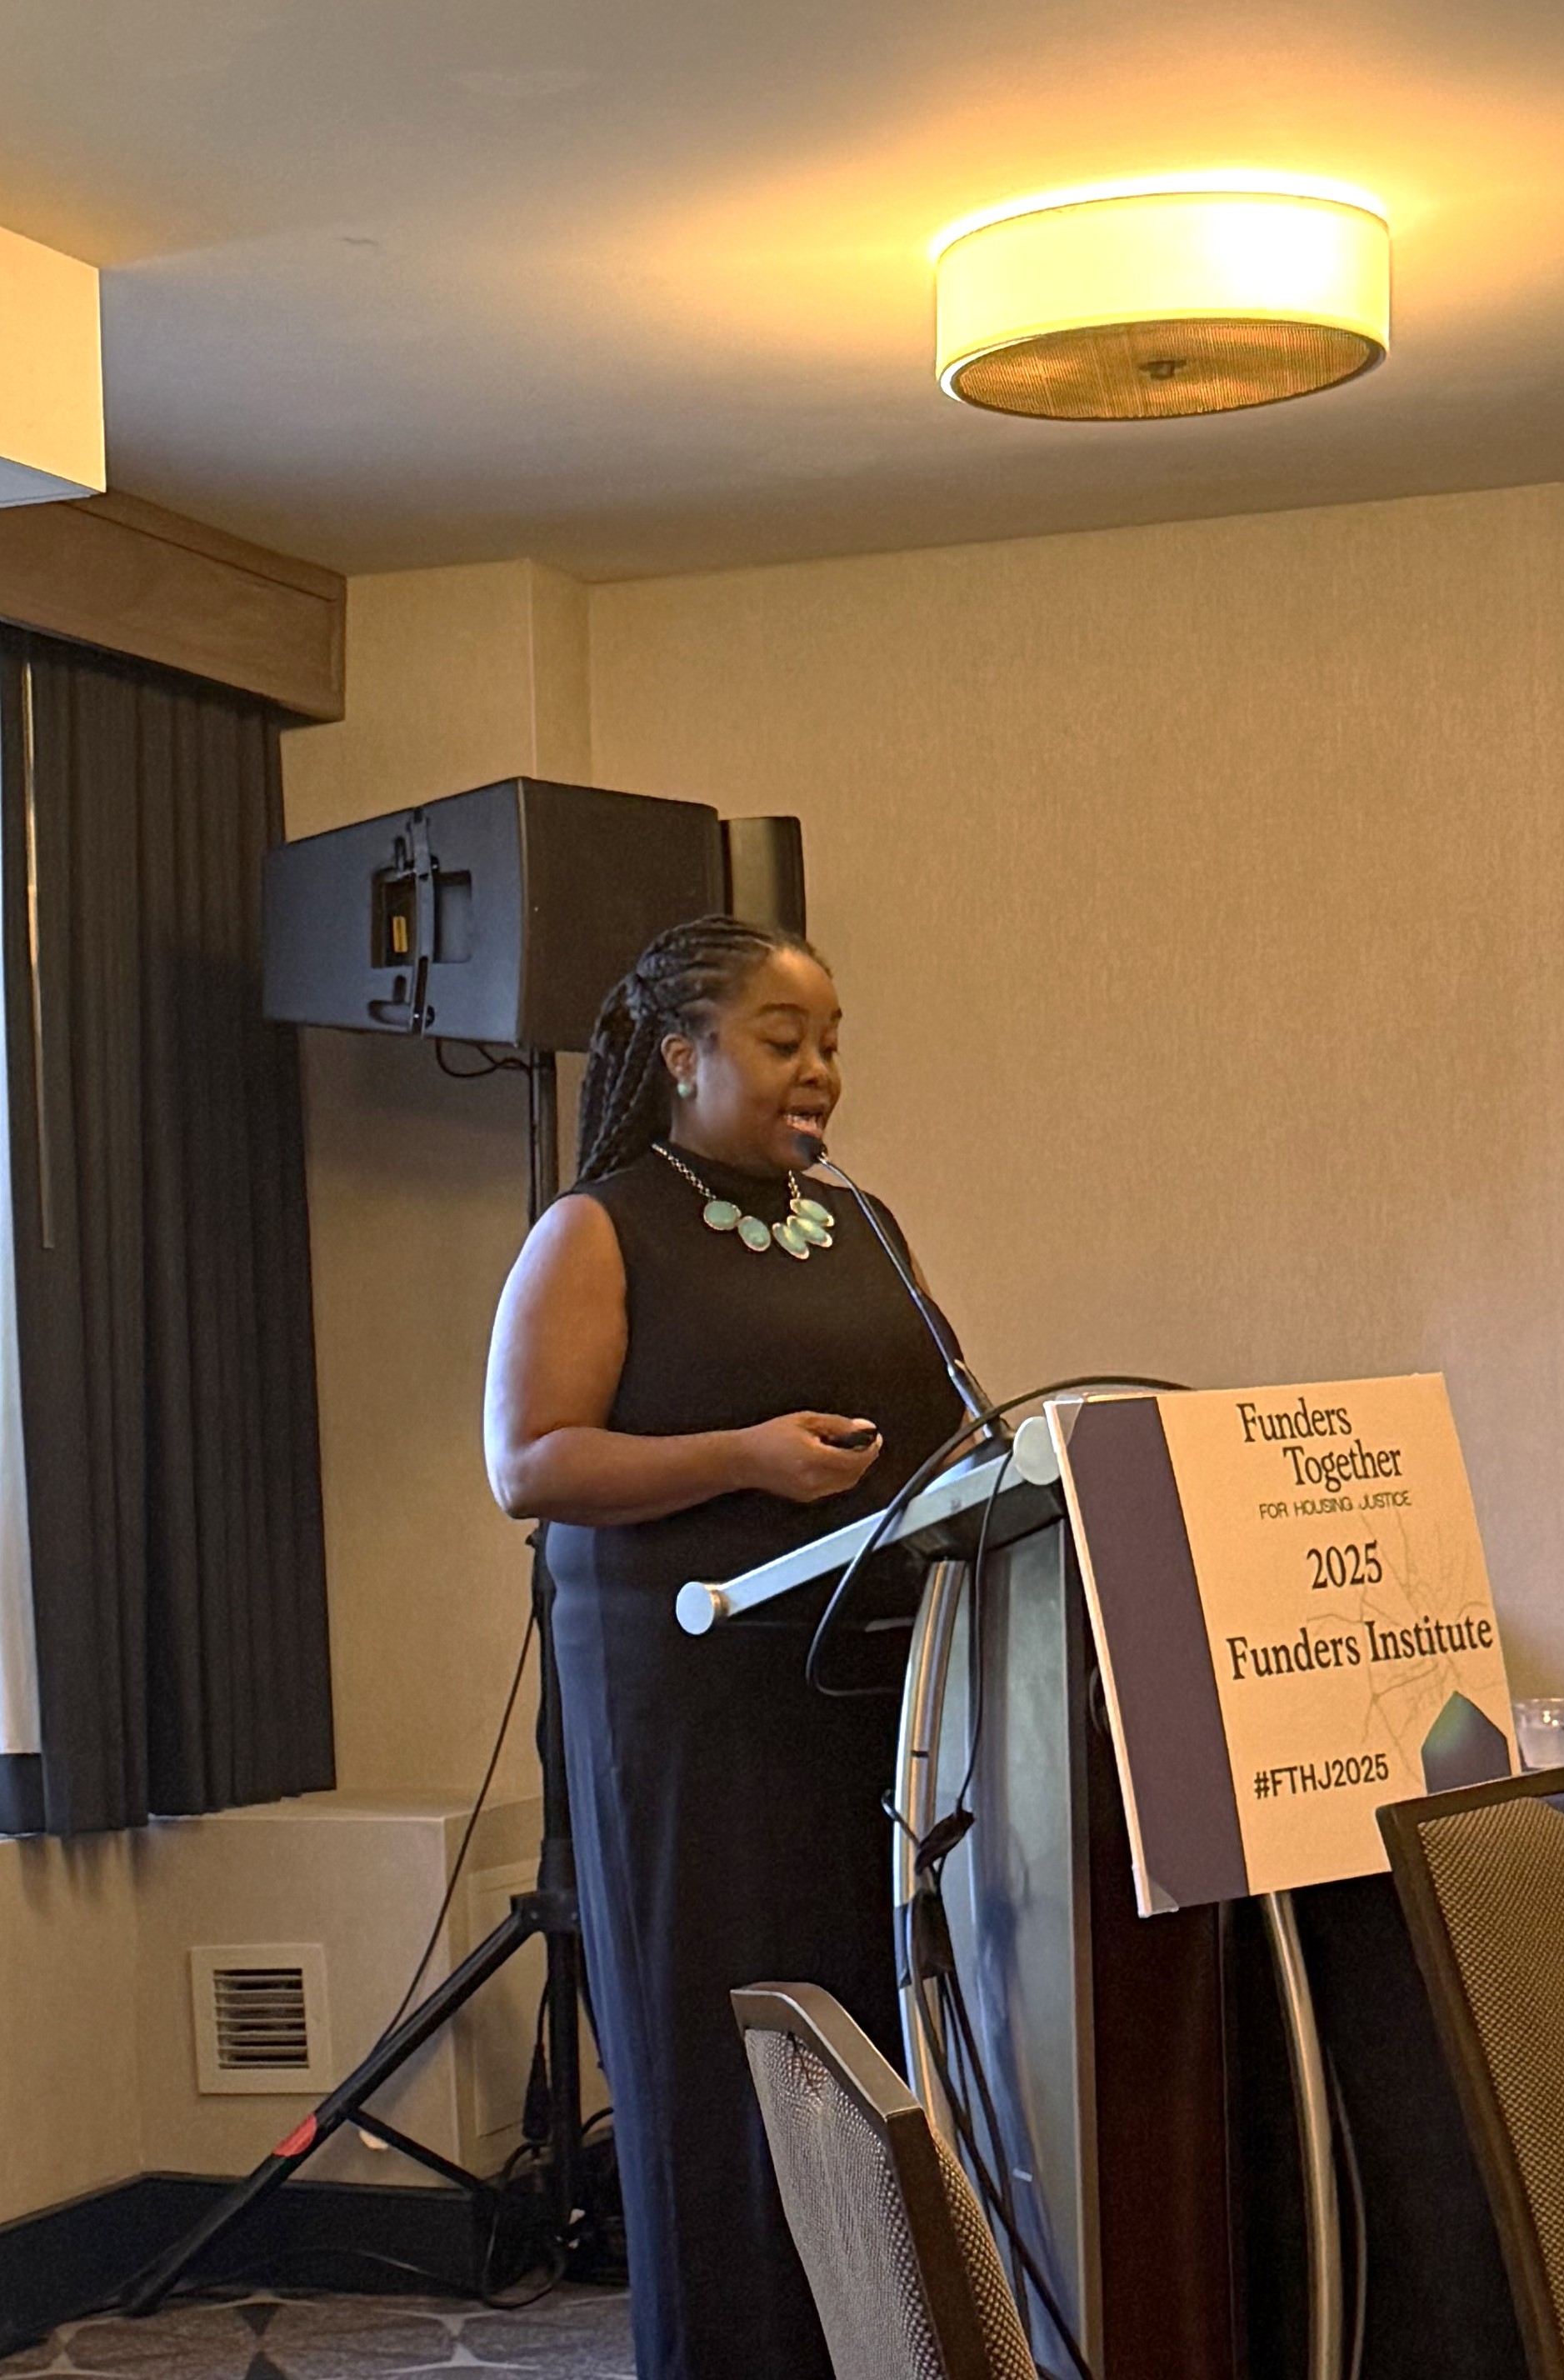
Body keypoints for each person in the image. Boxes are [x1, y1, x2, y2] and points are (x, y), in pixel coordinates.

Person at [483, 914, 967, 2380]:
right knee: (735, 2058)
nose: (818, 1071)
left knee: (869, 2048)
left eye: (831, 1044)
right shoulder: (599, 1228)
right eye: (783, 1040)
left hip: (870, 1707)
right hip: (698, 1723)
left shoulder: (865, 1222)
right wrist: (744, 1457)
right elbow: (531, 1463)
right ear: (684, 1053)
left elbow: (956, 1420)